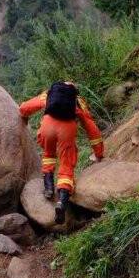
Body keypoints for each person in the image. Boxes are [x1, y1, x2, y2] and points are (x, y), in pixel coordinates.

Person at [19, 81, 104, 223]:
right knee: (66, 164)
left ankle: (48, 187)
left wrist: (24, 114)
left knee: (48, 153)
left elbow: (25, 108)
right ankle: (62, 202)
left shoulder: (50, 94)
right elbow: (91, 128)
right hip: (67, 130)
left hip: (47, 127)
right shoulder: (77, 102)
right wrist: (99, 152)